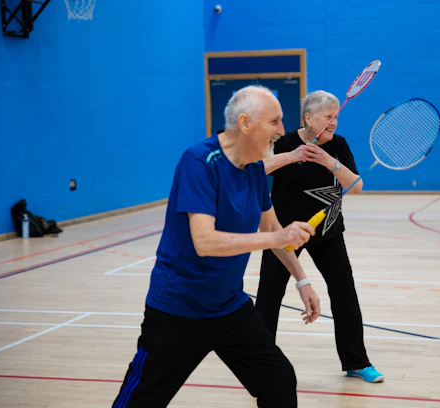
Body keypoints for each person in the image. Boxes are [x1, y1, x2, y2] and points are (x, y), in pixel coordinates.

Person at [112, 85, 321, 408]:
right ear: (246, 123)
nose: (282, 130)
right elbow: (205, 241)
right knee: (140, 402)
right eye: (275, 121)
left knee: (278, 379)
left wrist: (302, 280)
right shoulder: (199, 161)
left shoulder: (254, 169)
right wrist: (276, 238)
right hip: (177, 311)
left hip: (229, 308)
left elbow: (272, 228)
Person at [255, 90, 384, 384]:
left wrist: (330, 163)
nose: (333, 122)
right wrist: (291, 157)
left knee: (345, 295)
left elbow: (357, 186)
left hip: (328, 233)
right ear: (309, 118)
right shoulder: (285, 142)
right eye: (328, 116)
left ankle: (356, 362)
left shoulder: (338, 145)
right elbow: (256, 169)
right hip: (285, 235)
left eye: (336, 116)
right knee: (268, 297)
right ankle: (260, 363)